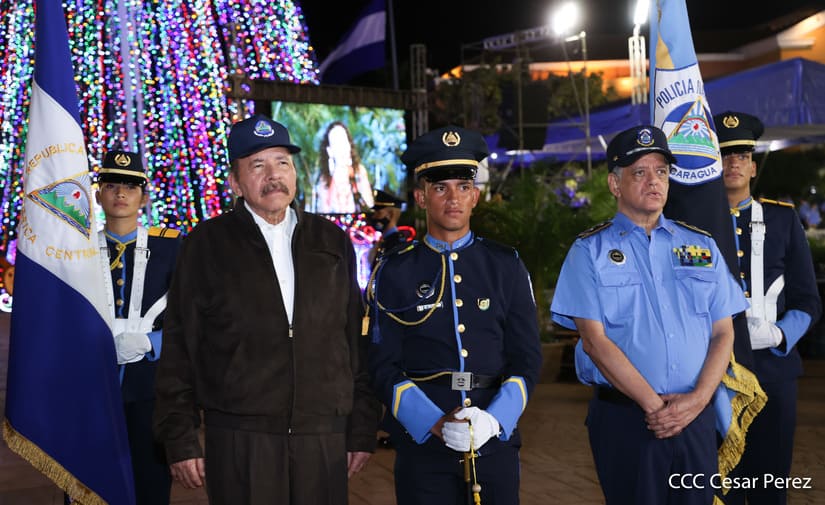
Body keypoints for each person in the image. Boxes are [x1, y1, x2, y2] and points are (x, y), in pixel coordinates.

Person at [153, 114, 379, 504]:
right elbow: (179, 345)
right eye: (257, 165)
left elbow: (354, 342)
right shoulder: (206, 245)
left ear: (295, 173)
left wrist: (361, 428)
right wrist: (180, 437)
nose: (273, 175)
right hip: (240, 437)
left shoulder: (331, 241)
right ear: (235, 182)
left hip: (322, 435)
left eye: (282, 163)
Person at [550, 125, 748, 505]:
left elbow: (724, 331)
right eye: (639, 172)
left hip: (695, 418)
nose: (654, 181)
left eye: (661, 171)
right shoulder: (589, 251)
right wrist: (657, 409)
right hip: (629, 420)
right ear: (615, 184)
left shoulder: (701, 245)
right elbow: (594, 342)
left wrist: (697, 401)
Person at [366, 126, 543, 505]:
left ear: (475, 196)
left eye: (463, 187)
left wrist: (495, 419)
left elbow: (527, 358)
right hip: (423, 446)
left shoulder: (505, 266)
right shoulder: (395, 271)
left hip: (494, 439)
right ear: (421, 197)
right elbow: (381, 364)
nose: (453, 198)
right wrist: (432, 422)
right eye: (440, 188)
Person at [714, 110, 822, 505]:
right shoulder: (694, 226)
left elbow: (808, 299)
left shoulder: (782, 219)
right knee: (719, 484)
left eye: (742, 156)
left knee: (769, 485)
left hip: (773, 371)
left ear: (753, 167)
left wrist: (779, 334)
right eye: (725, 156)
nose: (733, 163)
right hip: (714, 373)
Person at [96, 149, 180, 505]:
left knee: (150, 482)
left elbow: (192, 318)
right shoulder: (79, 250)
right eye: (111, 185)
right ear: (98, 195)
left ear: (144, 197)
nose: (120, 193)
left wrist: (152, 342)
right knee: (90, 479)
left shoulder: (171, 247)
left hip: (150, 387)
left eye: (130, 187)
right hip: (90, 385)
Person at [312, 121, 375, 214]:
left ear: (349, 145)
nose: (342, 148)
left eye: (344, 141)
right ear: (330, 151)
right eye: (336, 143)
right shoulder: (324, 179)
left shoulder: (359, 172)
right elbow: (322, 213)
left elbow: (369, 207)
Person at [367, 188, 413, 264]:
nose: (374, 217)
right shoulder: (384, 241)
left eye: (378, 213)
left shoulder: (397, 244)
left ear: (390, 215)